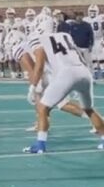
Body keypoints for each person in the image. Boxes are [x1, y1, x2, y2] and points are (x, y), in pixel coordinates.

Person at [24, 14, 104, 154]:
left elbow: (40, 65)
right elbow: (79, 55)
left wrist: (33, 86)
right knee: (88, 108)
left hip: (66, 73)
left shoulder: (39, 39)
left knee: (42, 107)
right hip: (83, 72)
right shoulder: (65, 35)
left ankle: (40, 145)